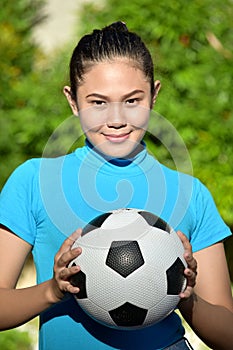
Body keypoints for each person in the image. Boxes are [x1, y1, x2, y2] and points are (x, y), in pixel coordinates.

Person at [0, 21, 232, 350]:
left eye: (132, 100)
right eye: (98, 102)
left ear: (154, 95)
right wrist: (52, 290)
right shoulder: (34, 181)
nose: (117, 119)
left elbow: (227, 333)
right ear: (73, 101)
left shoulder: (190, 194)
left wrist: (184, 295)